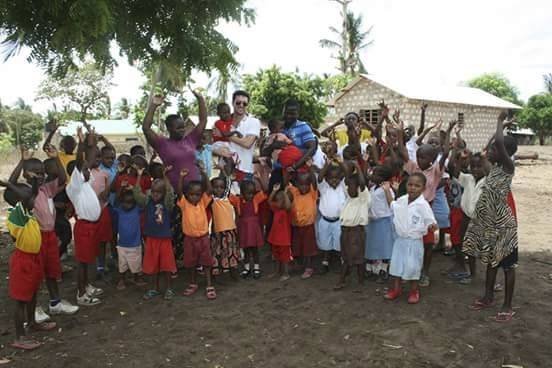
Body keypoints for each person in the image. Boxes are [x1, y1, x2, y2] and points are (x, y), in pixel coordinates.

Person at [7, 147, 79, 322]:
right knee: (35, 276)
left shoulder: (46, 189)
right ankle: (35, 309)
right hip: (36, 238)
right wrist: (22, 161)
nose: (41, 176)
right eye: (36, 173)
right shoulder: (24, 194)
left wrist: (56, 159)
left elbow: (63, 178)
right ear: (26, 174)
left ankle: (55, 303)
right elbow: (11, 183)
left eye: (42, 173)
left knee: (52, 271)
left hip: (49, 236)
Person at [463, 112, 519, 322]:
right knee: (491, 261)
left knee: (508, 266)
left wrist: (499, 123)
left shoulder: (508, 167)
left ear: (506, 152)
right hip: (490, 224)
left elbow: (499, 145)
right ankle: (488, 297)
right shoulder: (493, 168)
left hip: (504, 226)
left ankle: (507, 305)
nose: (490, 152)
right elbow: (491, 147)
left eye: (495, 149)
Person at [401, 121, 456, 287]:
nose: (419, 160)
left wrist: (448, 130)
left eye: (423, 157)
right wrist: (398, 130)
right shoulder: (414, 167)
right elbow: (403, 152)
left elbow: (445, 152)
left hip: (426, 211)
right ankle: (409, 270)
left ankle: (425, 272)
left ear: (432, 159)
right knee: (410, 241)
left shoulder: (436, 171)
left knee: (428, 243)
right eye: (418, 156)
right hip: (410, 210)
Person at [1, 179, 53, 350]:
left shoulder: (27, 212)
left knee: (32, 294)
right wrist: (8, 184)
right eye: (30, 197)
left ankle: (32, 323)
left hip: (33, 258)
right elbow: (26, 196)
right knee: (21, 300)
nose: (34, 199)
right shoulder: (17, 213)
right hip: (23, 260)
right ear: (19, 200)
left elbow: (31, 194)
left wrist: (35, 182)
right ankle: (19, 337)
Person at [385, 173, 437, 304]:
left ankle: (414, 291)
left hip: (414, 241)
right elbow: (392, 205)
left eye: (417, 186)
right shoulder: (402, 200)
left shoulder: (423, 205)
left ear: (423, 188)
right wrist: (387, 190)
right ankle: (396, 289)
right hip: (400, 239)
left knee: (413, 267)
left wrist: (432, 226)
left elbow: (431, 221)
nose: (413, 188)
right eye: (410, 184)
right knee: (396, 265)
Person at [66, 127, 103, 306]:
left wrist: (92, 142)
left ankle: (87, 285)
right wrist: (81, 143)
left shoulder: (85, 183)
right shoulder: (75, 186)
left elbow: (86, 162)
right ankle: (81, 294)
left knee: (88, 259)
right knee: (82, 261)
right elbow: (81, 162)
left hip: (92, 226)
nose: (89, 171)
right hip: (84, 227)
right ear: (77, 174)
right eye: (85, 170)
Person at [133, 166, 177, 300]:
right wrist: (139, 176)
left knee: (167, 265)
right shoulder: (148, 201)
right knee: (153, 265)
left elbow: (170, 192)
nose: (155, 194)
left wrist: (165, 176)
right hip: (151, 238)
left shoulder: (167, 204)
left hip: (164, 239)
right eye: (153, 191)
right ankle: (154, 288)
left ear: (163, 193)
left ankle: (168, 288)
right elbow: (137, 194)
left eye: (158, 192)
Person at [448, 150, 488, 284]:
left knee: (485, 249)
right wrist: (460, 160)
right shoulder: (468, 179)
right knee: (468, 247)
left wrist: (485, 160)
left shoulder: (488, 181)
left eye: (479, 166)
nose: (476, 169)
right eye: (473, 166)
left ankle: (491, 278)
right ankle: (472, 273)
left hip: (480, 220)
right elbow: (455, 172)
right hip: (466, 218)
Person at [178, 169, 216, 300]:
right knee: (190, 262)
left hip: (203, 238)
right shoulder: (184, 204)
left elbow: (209, 190)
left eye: (198, 194)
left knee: (206, 262)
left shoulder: (203, 202)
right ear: (187, 194)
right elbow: (179, 192)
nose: (195, 197)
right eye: (192, 194)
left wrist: (204, 174)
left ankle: (209, 284)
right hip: (190, 239)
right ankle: (193, 283)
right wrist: (181, 178)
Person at [334, 163, 371, 290]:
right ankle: (358, 280)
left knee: (356, 258)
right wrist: (341, 163)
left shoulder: (363, 198)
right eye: (348, 187)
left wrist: (358, 166)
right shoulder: (349, 198)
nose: (349, 189)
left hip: (356, 232)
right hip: (345, 232)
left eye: (352, 187)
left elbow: (361, 183)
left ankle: (344, 280)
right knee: (347, 256)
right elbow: (347, 178)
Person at [229, 180, 267, 279]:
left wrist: (259, 180)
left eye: (252, 193)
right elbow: (228, 195)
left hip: (254, 228)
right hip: (244, 228)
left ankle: (256, 267)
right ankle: (247, 268)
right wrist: (229, 179)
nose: (251, 195)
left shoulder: (256, 199)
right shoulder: (238, 201)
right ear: (242, 193)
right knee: (245, 250)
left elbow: (265, 191)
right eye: (248, 193)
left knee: (255, 250)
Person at [365, 165, 395, 282]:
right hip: (372, 220)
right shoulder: (372, 188)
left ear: (384, 178)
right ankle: (371, 268)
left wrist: (387, 190)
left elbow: (391, 204)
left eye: (376, 174)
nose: (373, 175)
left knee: (385, 246)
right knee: (372, 245)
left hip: (384, 221)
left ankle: (384, 269)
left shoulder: (387, 189)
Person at [112, 189, 146, 290]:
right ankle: (121, 280)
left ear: (134, 203)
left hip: (135, 244)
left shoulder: (137, 209)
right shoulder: (119, 210)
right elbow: (115, 201)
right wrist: (121, 189)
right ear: (121, 202)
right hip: (122, 244)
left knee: (136, 264)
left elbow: (143, 202)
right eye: (125, 202)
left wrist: (135, 190)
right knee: (122, 265)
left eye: (130, 202)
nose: (127, 205)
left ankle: (136, 278)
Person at [316, 160, 347, 273]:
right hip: (325, 220)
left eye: (337, 178)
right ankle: (325, 261)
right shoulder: (324, 188)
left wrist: (341, 163)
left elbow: (347, 174)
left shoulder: (342, 188)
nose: (334, 180)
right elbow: (319, 178)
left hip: (338, 221)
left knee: (340, 243)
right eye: (331, 178)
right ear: (326, 179)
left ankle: (342, 261)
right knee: (325, 243)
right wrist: (326, 165)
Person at [288, 172, 318, 279]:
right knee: (297, 246)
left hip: (308, 226)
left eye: (306, 184)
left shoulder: (312, 193)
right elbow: (286, 183)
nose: (304, 187)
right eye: (301, 184)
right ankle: (298, 265)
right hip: (296, 225)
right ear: (297, 184)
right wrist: (289, 173)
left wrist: (310, 169)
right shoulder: (294, 192)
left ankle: (309, 267)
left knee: (308, 248)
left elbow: (314, 182)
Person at [210, 176, 240, 278]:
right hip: (217, 231)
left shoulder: (227, 197)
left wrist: (225, 171)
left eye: (221, 187)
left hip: (230, 230)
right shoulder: (212, 199)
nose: (219, 189)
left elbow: (228, 183)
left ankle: (233, 272)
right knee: (217, 251)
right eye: (216, 187)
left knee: (231, 251)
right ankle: (217, 274)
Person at [267, 183, 293, 281]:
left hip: (284, 240)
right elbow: (269, 201)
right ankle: (277, 271)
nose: (276, 202)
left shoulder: (287, 211)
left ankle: (285, 273)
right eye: (276, 201)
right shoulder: (276, 209)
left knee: (285, 258)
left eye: (279, 201)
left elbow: (288, 205)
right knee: (276, 256)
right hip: (275, 238)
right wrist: (274, 191)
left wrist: (285, 194)